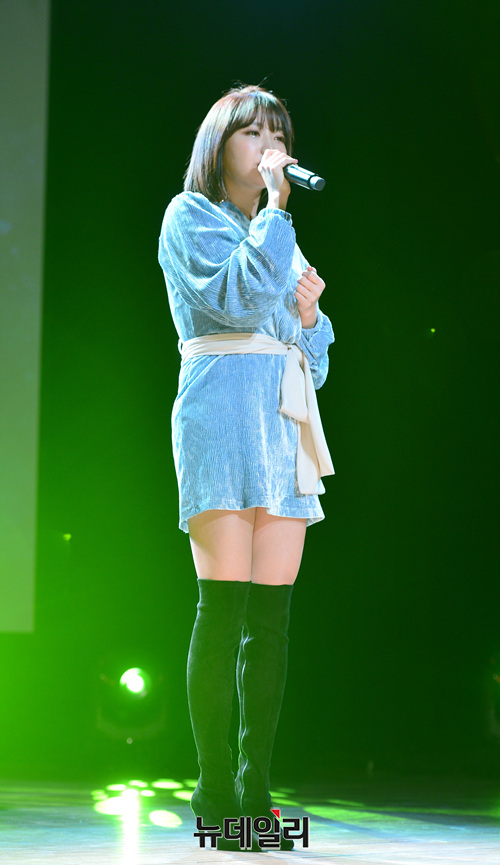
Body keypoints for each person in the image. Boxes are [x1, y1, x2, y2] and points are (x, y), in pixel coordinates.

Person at [158, 84, 334, 850]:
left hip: (282, 423)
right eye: (253, 132)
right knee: (223, 607)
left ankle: (255, 790)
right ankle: (212, 787)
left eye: (277, 133)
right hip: (220, 413)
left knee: (272, 619)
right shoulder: (187, 217)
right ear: (220, 144)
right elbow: (233, 299)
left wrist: (311, 318)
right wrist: (277, 211)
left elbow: (312, 359)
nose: (270, 145)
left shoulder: (277, 231)